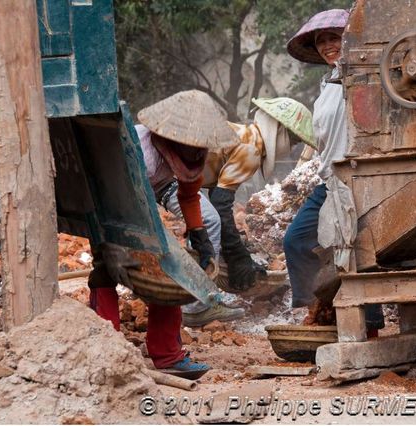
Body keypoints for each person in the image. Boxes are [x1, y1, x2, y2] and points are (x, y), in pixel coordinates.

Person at [89, 90, 237, 378]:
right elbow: (123, 204)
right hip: (109, 194)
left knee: (169, 273)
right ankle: (104, 353)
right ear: (167, 134)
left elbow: (189, 194)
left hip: (143, 195)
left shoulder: (193, 153)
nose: (196, 151)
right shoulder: (139, 152)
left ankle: (167, 355)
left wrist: (199, 236)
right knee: (107, 265)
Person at [152, 97, 316, 326]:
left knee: (206, 227)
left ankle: (193, 296)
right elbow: (221, 203)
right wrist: (238, 256)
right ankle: (196, 305)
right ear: (280, 132)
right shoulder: (251, 149)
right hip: (169, 177)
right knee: (208, 222)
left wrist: (236, 249)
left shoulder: (245, 136)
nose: (292, 146)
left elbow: (215, 196)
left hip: (173, 176)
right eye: (294, 140)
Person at [283, 9, 384, 333]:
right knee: (297, 239)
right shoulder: (326, 86)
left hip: (361, 176)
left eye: (334, 38)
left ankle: (368, 322)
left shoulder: (364, 75)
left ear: (350, 39)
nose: (328, 45)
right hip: (330, 179)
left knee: (359, 248)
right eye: (321, 41)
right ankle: (319, 305)